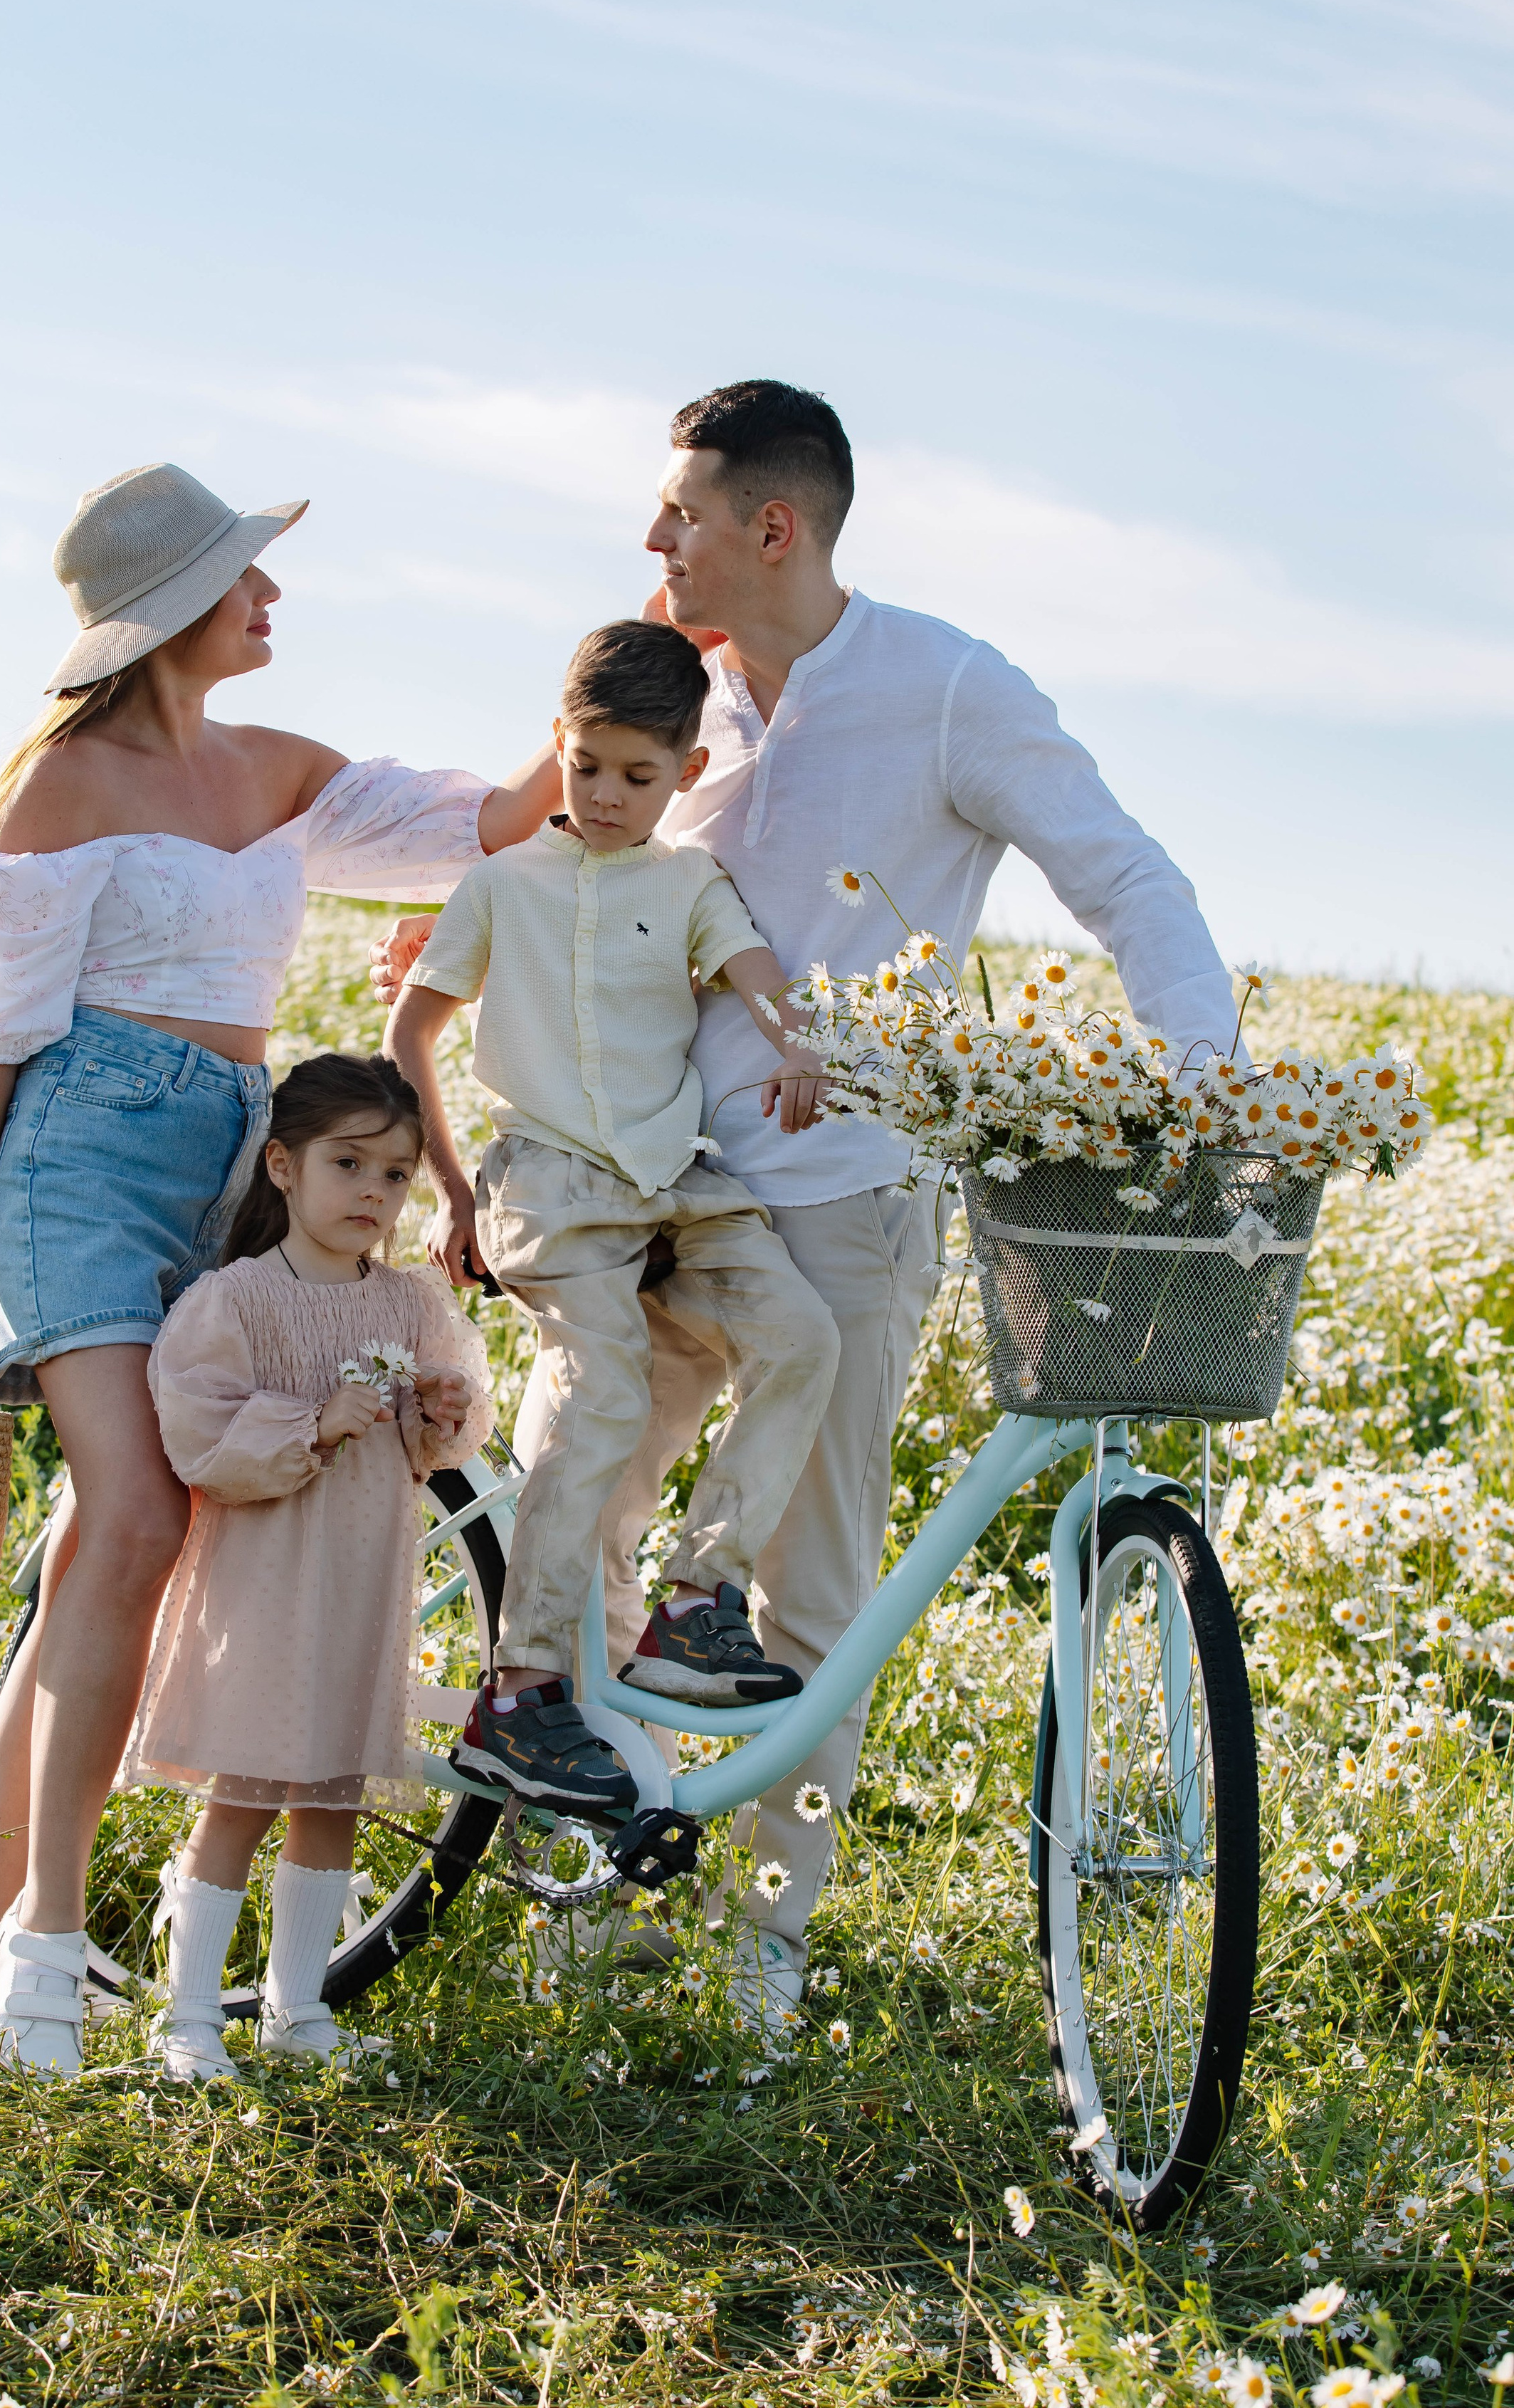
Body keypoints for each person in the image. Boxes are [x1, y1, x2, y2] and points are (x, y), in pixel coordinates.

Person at [371, 380, 1241, 2043]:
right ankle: (601, 1892)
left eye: (680, 512)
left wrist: (1199, 1083)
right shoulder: (667, 692)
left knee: (810, 1596)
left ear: (771, 527)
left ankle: (762, 1943)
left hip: (842, 1205)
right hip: (632, 1199)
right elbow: (568, 859)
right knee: (578, 1521)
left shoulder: (946, 690)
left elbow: (1122, 873)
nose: (651, 537)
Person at [0, 459, 555, 2078]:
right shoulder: (62, 785)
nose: (271, 595)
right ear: (173, 608)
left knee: (109, 1536)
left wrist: (638, 659)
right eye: (244, 575)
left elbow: (495, 821)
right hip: (77, 1160)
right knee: (137, 1516)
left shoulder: (275, 767)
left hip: (229, 1160)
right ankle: (43, 1954)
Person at [383, 618, 841, 1815]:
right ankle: (520, 1691)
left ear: (689, 771)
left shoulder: (691, 883)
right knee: (607, 1395)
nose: (604, 796)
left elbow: (758, 978)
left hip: (679, 1178)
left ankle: (699, 1598)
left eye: (639, 776)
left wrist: (800, 1050)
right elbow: (411, 1032)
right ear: (560, 745)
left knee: (804, 1338)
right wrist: (452, 1190)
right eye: (586, 767)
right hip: (550, 1186)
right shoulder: (501, 885)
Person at [115, 1051, 493, 2083]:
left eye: (396, 1175)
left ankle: (299, 2010)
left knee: (333, 1795)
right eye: (348, 1164)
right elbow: (200, 1438)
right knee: (244, 1792)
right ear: (283, 1167)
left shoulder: (407, 1305)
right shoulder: (235, 1301)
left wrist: (437, 1412)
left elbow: (431, 1449)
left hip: (363, 1585)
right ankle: (189, 2015)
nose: (374, 1193)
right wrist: (313, 1423)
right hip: (267, 1588)